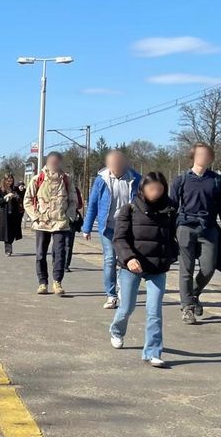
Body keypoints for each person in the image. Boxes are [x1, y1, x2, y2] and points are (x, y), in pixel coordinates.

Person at [109, 172, 178, 368]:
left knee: (154, 310)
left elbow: (174, 235)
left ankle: (153, 351)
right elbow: (119, 239)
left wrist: (174, 253)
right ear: (142, 189)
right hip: (132, 267)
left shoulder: (170, 209)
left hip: (157, 268)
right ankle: (116, 330)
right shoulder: (129, 209)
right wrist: (129, 258)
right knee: (127, 307)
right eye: (151, 188)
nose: (155, 192)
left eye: (159, 188)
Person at [170, 143, 221, 324]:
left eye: (206, 155)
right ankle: (187, 308)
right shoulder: (181, 179)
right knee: (186, 270)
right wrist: (169, 230)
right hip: (185, 227)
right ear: (193, 156)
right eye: (199, 154)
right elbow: (172, 207)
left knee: (208, 268)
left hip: (209, 228)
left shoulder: (217, 181)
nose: (203, 157)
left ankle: (194, 294)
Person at [82, 151, 141, 309]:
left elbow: (143, 200)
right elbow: (93, 204)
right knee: (109, 259)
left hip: (128, 227)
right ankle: (111, 295)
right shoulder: (102, 180)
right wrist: (86, 228)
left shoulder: (135, 178)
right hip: (107, 226)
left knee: (125, 260)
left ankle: (123, 291)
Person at [25, 151, 80, 295]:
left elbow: (74, 201)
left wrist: (68, 216)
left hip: (60, 223)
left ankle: (57, 282)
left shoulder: (67, 180)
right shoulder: (38, 179)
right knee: (40, 254)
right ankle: (42, 282)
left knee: (59, 253)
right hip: (42, 222)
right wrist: (36, 217)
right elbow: (28, 200)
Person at [0, 174, 24, 255]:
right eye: (8, 181)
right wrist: (6, 197)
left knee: (13, 231)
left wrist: (17, 195)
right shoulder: (1, 189)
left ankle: (10, 243)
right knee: (6, 231)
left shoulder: (15, 189)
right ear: (5, 181)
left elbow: (21, 197)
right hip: (5, 213)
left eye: (12, 181)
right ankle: (8, 248)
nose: (10, 183)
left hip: (14, 213)